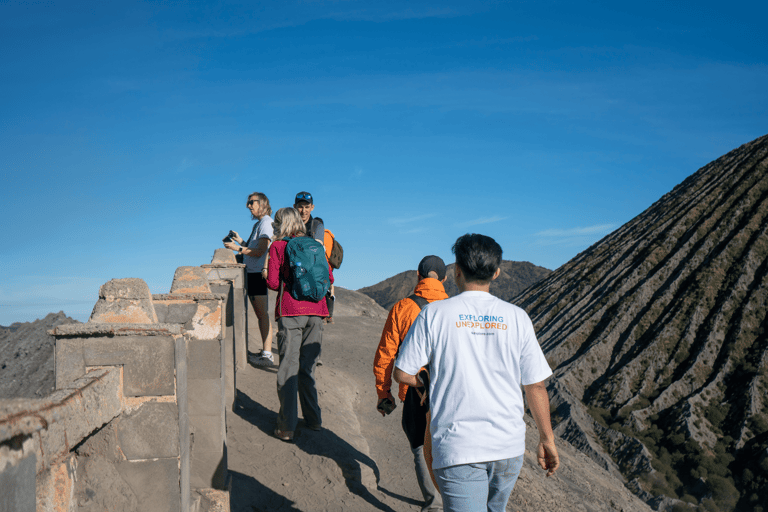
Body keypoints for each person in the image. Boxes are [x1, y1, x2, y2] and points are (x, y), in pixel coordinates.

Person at [394, 234, 559, 512]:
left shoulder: (434, 314)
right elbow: (536, 386)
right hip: (508, 448)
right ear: (496, 272)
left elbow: (401, 373)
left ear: (457, 269)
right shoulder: (517, 317)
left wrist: (425, 381)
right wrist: (547, 439)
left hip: (458, 447)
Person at [373, 255, 448, 512]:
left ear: (418, 275)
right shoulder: (455, 309)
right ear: (446, 279)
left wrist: (385, 394)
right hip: (449, 389)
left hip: (416, 388)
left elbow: (386, 354)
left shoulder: (402, 308)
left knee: (419, 444)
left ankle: (435, 504)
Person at [266, 207, 333, 441]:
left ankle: (286, 426)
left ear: (280, 224)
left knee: (288, 368)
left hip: (291, 311)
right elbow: (329, 279)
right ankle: (314, 420)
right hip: (317, 312)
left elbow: (274, 283)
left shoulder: (278, 246)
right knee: (308, 368)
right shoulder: (315, 245)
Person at [224, 192, 275, 367]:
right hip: (253, 273)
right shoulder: (260, 224)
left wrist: (238, 249)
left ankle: (267, 355)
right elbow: (254, 248)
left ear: (262, 203)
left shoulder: (266, 223)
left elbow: (261, 250)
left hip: (257, 275)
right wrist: (241, 241)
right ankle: (265, 353)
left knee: (262, 315)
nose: (248, 206)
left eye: (251, 202)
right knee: (261, 315)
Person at [294, 191, 335, 324]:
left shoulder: (317, 224)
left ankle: (328, 314)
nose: (303, 211)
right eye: (300, 207)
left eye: (307, 207)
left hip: (313, 271)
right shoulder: (291, 224)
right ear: (295, 207)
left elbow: (317, 247)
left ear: (312, 207)